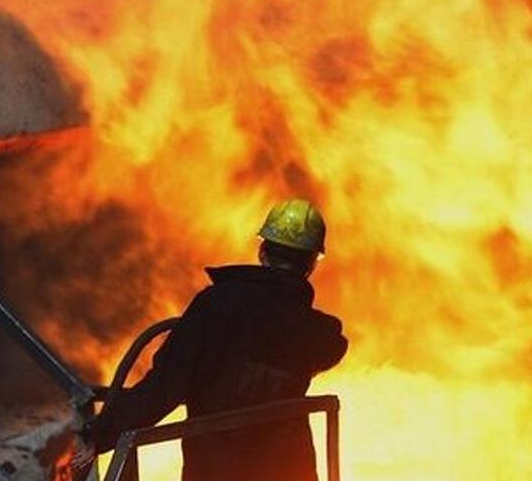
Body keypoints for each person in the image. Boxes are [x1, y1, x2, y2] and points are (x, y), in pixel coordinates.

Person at [79, 198, 348, 480]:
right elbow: (334, 345)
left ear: (262, 252)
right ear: (311, 264)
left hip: (218, 469)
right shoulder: (316, 331)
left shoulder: (215, 307)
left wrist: (97, 436)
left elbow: (163, 388)